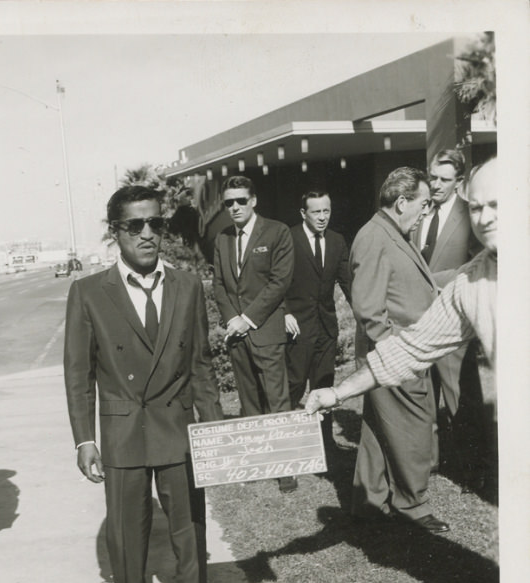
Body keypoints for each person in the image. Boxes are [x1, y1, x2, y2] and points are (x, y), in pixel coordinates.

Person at [63, 185, 225, 583]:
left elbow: (200, 366)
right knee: (126, 543)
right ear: (116, 233)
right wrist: (85, 438)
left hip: (177, 430)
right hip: (123, 435)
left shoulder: (187, 285)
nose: (148, 234)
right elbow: (78, 373)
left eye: (156, 223)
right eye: (135, 226)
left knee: (190, 536)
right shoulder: (89, 292)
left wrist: (214, 434)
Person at [305, 158, 497, 458]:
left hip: (430, 337)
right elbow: (386, 327)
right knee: (397, 436)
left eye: (496, 205)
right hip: (400, 347)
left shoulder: (400, 230)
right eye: (476, 208)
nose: (485, 219)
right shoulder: (379, 236)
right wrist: (342, 388)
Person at [348, 167, 447, 533]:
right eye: (423, 203)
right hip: (394, 352)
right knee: (413, 426)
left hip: (392, 351)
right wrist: (397, 353)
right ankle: (413, 504)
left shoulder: (390, 232)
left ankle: (369, 502)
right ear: (402, 201)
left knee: (379, 428)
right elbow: (369, 310)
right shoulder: (376, 237)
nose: (426, 211)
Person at [212, 175, 297, 492]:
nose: (234, 207)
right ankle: (258, 462)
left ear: (253, 200)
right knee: (249, 402)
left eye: (240, 201)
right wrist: (233, 320)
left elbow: (279, 283)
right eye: (228, 202)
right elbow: (220, 285)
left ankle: (285, 466)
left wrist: (246, 319)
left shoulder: (277, 232)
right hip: (237, 335)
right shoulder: (222, 239)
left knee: (277, 399)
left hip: (264, 331)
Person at [414, 148, 486, 490]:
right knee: (425, 394)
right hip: (419, 322)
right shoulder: (420, 212)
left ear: (459, 181)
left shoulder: (469, 214)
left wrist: (433, 281)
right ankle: (429, 463)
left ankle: (471, 468)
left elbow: (477, 264)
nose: (437, 185)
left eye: (444, 179)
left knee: (461, 398)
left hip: (455, 323)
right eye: (433, 177)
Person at [284, 190, 350, 453]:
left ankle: (324, 444)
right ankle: (287, 441)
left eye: (326, 211)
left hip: (326, 327)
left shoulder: (336, 241)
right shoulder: (288, 238)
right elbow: (274, 282)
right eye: (316, 212)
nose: (323, 217)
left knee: (324, 385)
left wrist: (365, 314)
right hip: (297, 328)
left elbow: (348, 282)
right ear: (303, 214)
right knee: (294, 385)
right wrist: (283, 312)